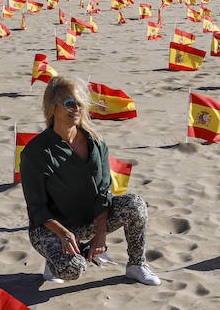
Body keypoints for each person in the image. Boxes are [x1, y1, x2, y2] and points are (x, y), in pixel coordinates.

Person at [20, 76, 161, 286]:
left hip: (89, 220)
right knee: (73, 269)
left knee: (135, 204)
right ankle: (54, 261)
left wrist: (101, 232)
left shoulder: (95, 141)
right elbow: (37, 208)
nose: (76, 108)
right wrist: (64, 234)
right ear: (52, 107)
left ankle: (136, 265)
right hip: (52, 228)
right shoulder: (36, 152)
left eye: (80, 103)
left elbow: (104, 191)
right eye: (69, 103)